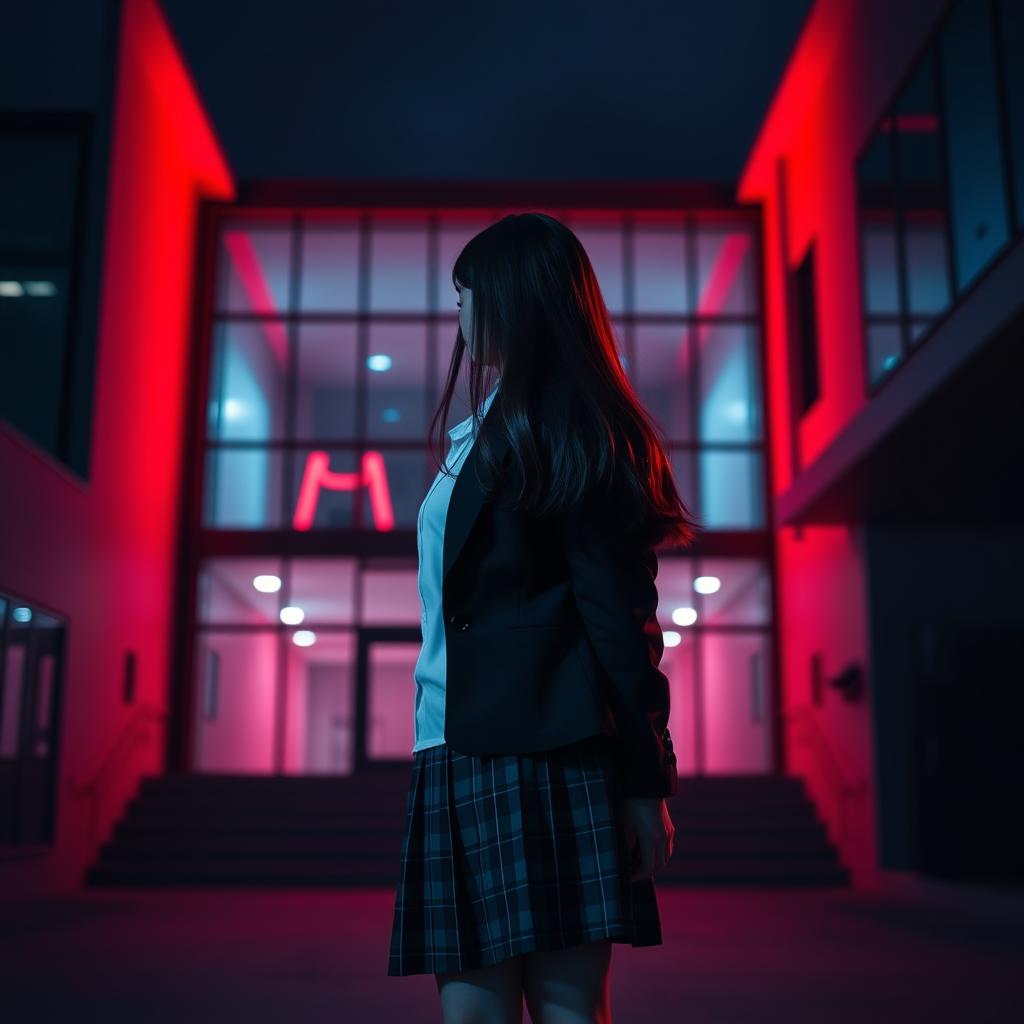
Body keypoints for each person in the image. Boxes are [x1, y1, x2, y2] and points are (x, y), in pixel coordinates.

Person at [388, 212, 701, 1023]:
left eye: (466, 295)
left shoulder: (575, 431)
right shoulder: (478, 434)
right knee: (475, 1013)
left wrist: (645, 781)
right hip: (453, 746)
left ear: (513, 300)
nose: (456, 314)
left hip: (546, 751)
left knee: (564, 1006)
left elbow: (621, 623)